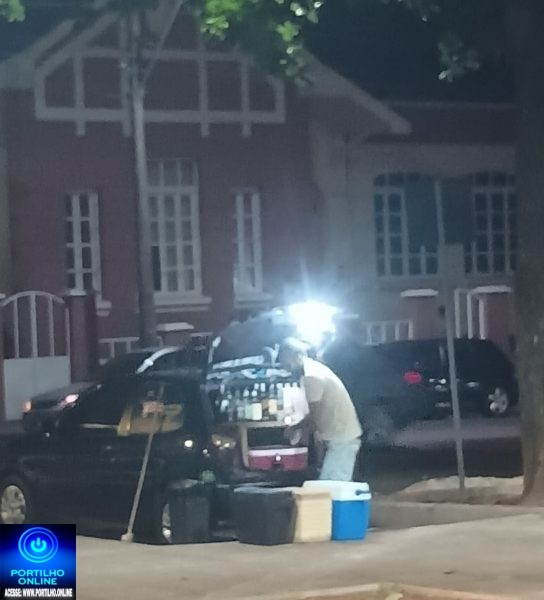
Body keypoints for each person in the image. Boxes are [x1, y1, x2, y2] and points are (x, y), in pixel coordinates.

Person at [278, 338, 362, 481]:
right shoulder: (314, 369)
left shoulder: (311, 376)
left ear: (298, 356)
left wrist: (294, 428)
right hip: (340, 436)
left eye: (287, 363)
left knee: (333, 486)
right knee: (330, 486)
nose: (286, 368)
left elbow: (313, 415)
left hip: (341, 439)